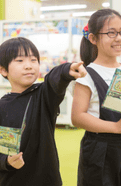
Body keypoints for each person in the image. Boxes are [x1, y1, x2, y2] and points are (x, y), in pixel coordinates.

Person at [71, 9, 121, 185]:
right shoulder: (87, 74)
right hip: (99, 150)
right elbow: (77, 117)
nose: (119, 38)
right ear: (93, 39)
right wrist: (116, 126)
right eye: (111, 33)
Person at [0, 37, 86, 185]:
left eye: (33, 60)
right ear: (3, 70)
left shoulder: (44, 95)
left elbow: (54, 78)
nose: (29, 66)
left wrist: (67, 70)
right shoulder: (2, 105)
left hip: (45, 179)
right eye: (20, 61)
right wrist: (6, 162)